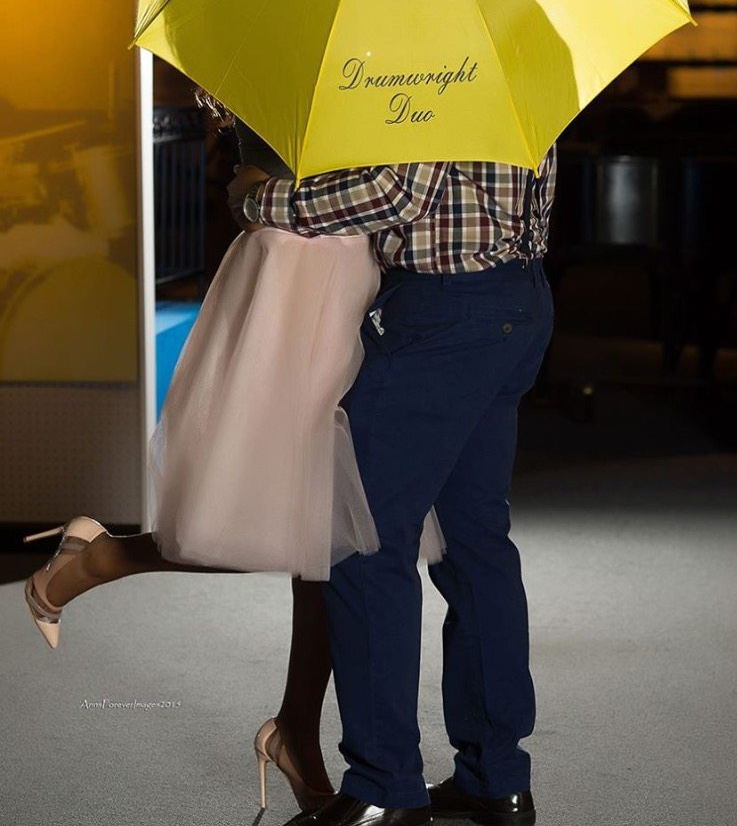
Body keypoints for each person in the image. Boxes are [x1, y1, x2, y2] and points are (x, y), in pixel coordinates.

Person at [21, 98, 446, 814]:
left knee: (331, 532)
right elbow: (267, 171)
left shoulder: (374, 53)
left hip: (348, 274)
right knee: (264, 515)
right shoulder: (278, 49)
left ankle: (297, 728)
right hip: (291, 274)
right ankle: (96, 559)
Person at [229, 146, 557, 826]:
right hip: (518, 296)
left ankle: (385, 785)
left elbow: (394, 193)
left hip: (444, 315)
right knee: (475, 546)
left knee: (363, 542)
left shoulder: (438, 78)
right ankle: (496, 779)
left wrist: (260, 199)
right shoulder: (511, 78)